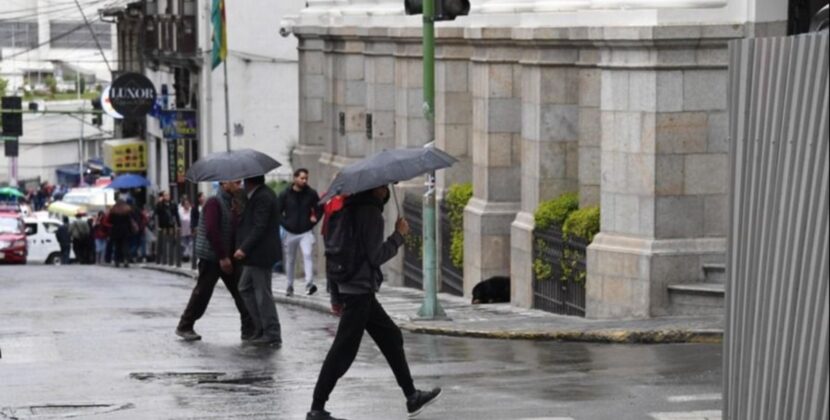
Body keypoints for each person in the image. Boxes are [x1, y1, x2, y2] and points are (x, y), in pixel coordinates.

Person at [306, 186, 442, 420]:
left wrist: (336, 294)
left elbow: (335, 251)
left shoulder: (348, 208)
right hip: (359, 289)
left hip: (353, 286)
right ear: (377, 189)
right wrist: (398, 235)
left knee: (391, 336)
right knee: (342, 350)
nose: (387, 190)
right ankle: (317, 408)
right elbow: (375, 256)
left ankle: (412, 397)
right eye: (384, 186)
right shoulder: (369, 213)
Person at [176, 182, 255, 342]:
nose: (239, 185)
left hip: (229, 255)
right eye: (236, 182)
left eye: (240, 182)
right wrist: (222, 257)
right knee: (203, 292)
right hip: (212, 257)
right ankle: (185, 325)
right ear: (225, 183)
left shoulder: (233, 201)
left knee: (241, 291)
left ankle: (248, 330)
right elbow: (212, 231)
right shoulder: (214, 202)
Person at [233, 175, 282, 347]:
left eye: (244, 181)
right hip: (255, 254)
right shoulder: (256, 196)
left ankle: (272, 332)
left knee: (263, 294)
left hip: (260, 254)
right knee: (244, 287)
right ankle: (261, 327)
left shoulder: (263, 197)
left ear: (249, 181)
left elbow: (259, 227)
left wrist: (243, 248)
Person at [278, 168, 323, 297]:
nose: (304, 181)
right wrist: (285, 224)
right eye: (302, 178)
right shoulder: (285, 194)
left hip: (305, 231)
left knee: (307, 254)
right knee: (290, 259)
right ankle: (289, 285)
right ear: (295, 178)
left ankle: (309, 283)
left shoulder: (311, 193)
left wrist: (314, 220)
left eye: (306, 178)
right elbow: (277, 212)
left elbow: (319, 208)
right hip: (290, 232)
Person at [108, 200, 133, 268]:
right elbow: (129, 221)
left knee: (117, 246)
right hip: (125, 230)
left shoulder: (113, 210)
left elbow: (110, 221)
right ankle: (126, 260)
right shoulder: (127, 210)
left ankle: (117, 261)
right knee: (125, 246)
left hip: (116, 230)